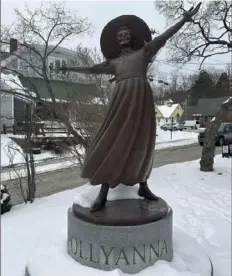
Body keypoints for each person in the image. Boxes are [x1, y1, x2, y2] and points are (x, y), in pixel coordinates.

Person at [60, 3, 201, 212]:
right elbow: (91, 69)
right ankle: (104, 192)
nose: (123, 37)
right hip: (121, 100)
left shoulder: (144, 52)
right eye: (120, 35)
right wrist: (69, 67)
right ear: (117, 41)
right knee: (113, 139)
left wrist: (182, 21)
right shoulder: (115, 62)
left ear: (131, 37)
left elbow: (163, 37)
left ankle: (143, 185)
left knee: (143, 140)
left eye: (126, 34)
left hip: (142, 99)